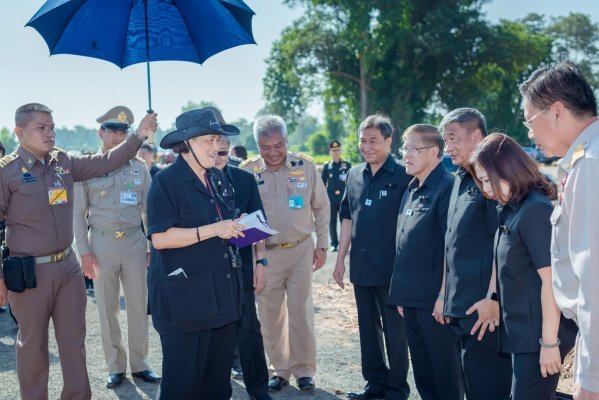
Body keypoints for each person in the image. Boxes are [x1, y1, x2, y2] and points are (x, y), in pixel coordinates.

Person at [0, 103, 156, 400]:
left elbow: (107, 161)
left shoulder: (64, 162)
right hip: (30, 272)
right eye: (41, 128)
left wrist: (139, 135)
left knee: (74, 343)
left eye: (52, 126)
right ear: (20, 132)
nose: (50, 133)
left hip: (67, 269)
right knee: (32, 346)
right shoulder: (6, 172)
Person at [470, 132, 577, 399]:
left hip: (540, 335)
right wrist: (492, 297)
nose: (485, 189)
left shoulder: (534, 211)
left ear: (508, 169)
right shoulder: (508, 207)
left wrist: (549, 343)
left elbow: (550, 280)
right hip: (520, 332)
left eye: (487, 180)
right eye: (481, 181)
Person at [146, 107, 245, 399]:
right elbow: (160, 238)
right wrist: (214, 229)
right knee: (182, 387)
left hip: (223, 297)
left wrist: (240, 229)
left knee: (217, 387)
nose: (218, 147)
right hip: (185, 303)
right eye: (209, 140)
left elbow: (224, 222)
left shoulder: (218, 178)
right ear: (186, 143)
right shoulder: (166, 182)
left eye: (219, 140)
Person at [519, 61, 599, 400]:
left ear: (556, 112)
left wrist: (592, 376)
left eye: (529, 121)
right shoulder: (585, 158)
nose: (529, 133)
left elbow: (594, 277)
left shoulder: (591, 165)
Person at [240, 115, 330, 392]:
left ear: (286, 141)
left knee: (301, 311)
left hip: (301, 249)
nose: (273, 152)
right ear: (257, 145)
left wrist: (322, 244)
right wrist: (257, 259)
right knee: (270, 314)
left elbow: (321, 207)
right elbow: (243, 215)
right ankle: (280, 369)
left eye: (278, 145)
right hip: (266, 255)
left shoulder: (305, 166)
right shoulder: (248, 172)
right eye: (265, 147)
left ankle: (304, 369)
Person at [73, 106, 159, 388]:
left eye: (124, 132)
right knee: (107, 308)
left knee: (138, 305)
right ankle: (115, 366)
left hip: (134, 242)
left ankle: (140, 363)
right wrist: (83, 252)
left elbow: (148, 210)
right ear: (101, 133)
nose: (119, 136)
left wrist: (150, 245)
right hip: (101, 244)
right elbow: (78, 214)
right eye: (114, 131)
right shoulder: (88, 167)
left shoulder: (140, 168)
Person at [332, 114, 410, 400]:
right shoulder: (354, 174)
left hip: (392, 270)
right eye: (362, 140)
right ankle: (374, 383)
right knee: (368, 329)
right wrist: (340, 259)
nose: (366, 146)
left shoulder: (404, 175)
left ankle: (397, 388)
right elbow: (347, 219)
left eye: (373, 141)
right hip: (362, 267)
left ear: (389, 141)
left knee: (395, 333)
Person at [439, 108, 512, 399]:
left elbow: (502, 241)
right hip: (460, 306)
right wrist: (443, 295)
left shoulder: (492, 180)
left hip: (484, 310)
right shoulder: (459, 178)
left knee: (488, 388)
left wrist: (494, 297)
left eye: (454, 138)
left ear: (477, 136)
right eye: (445, 140)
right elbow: (451, 243)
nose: (449, 147)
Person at [388, 124, 462, 400]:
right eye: (404, 148)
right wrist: (402, 295)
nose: (406, 155)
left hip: (436, 300)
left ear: (434, 152)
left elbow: (449, 248)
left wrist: (443, 296)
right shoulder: (411, 187)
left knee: (445, 371)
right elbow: (404, 244)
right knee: (422, 369)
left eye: (413, 149)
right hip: (411, 298)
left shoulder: (448, 187)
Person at [214, 130, 273, 400]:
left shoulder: (244, 180)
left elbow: (258, 225)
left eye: (223, 153)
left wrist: (261, 262)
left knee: (249, 328)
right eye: (212, 152)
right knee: (216, 333)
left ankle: (258, 388)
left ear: (231, 152)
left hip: (242, 267)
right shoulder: (194, 182)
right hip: (208, 271)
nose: (217, 158)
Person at [321, 139, 351, 252]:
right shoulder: (327, 167)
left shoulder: (347, 165)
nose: (336, 152)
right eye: (333, 150)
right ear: (330, 152)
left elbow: (351, 183)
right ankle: (334, 244)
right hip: (331, 199)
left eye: (337, 150)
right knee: (332, 222)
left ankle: (344, 244)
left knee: (345, 222)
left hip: (344, 198)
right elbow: (322, 184)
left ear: (340, 150)